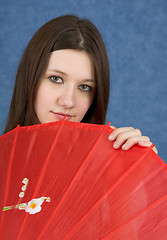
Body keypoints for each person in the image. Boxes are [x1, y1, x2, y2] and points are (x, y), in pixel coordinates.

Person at [3, 15, 157, 154]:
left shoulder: (106, 170)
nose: (68, 101)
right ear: (30, 79)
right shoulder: (4, 163)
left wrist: (142, 174)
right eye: (56, 79)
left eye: (84, 87)